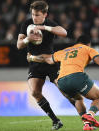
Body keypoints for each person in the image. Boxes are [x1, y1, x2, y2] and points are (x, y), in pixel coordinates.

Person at [27, 35, 99, 130]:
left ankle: (87, 125)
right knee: (97, 97)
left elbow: (47, 59)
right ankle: (90, 115)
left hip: (61, 81)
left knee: (78, 99)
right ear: (88, 44)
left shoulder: (65, 51)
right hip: (77, 76)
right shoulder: (88, 49)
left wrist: (32, 58)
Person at [17, 1, 67, 130]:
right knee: (34, 92)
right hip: (35, 64)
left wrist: (44, 28)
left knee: (65, 90)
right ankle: (56, 121)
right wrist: (28, 38)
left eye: (37, 15)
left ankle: (85, 117)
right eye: (33, 14)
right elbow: (19, 45)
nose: (34, 17)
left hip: (50, 62)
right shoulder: (27, 24)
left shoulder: (49, 23)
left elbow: (64, 32)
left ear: (45, 14)